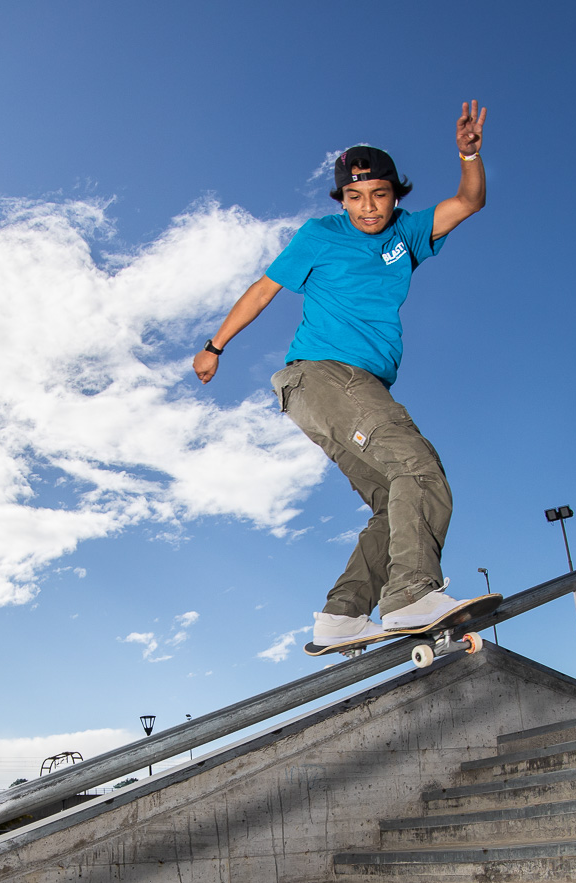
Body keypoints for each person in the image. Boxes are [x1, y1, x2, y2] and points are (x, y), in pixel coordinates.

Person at [193, 102, 488, 646]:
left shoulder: (410, 233)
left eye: (378, 195)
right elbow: (264, 289)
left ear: (396, 194)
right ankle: (410, 596)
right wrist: (215, 346)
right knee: (419, 470)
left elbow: (470, 200)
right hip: (327, 378)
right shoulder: (319, 235)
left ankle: (343, 615)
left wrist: (469, 154)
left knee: (391, 503)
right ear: (341, 199)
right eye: (354, 198)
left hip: (338, 393)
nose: (367, 208)